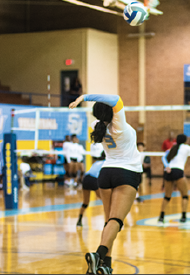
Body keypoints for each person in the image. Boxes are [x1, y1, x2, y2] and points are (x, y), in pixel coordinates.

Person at [69, 93, 142, 275]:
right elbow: (117, 98)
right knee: (116, 221)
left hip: (106, 173)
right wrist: (84, 97)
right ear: (112, 112)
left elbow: (110, 106)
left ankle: (106, 266)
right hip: (126, 173)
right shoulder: (120, 126)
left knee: (109, 221)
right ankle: (99, 255)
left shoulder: (96, 126)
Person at [76, 151, 105, 227]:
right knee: (105, 201)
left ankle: (79, 220)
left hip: (86, 179)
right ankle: (108, 221)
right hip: (93, 179)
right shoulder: (106, 163)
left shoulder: (97, 162)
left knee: (85, 202)